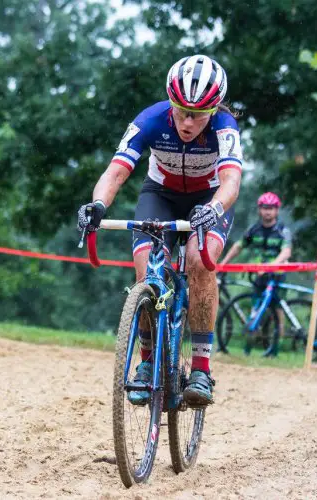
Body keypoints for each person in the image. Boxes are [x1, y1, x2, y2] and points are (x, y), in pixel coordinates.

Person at [77, 55, 243, 407]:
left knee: (199, 263)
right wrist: (98, 206)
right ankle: (147, 363)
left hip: (208, 200)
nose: (187, 121)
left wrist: (214, 209)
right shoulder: (150, 120)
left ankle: (200, 369)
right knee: (147, 273)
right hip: (160, 196)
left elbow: (231, 181)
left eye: (197, 114)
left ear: (213, 110)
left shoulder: (225, 127)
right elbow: (116, 172)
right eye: (180, 110)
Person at [219, 192, 293, 356]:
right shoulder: (254, 229)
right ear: (259, 210)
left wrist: (271, 266)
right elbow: (238, 246)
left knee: (278, 313)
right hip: (259, 278)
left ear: (277, 210)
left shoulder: (283, 231)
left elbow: (286, 252)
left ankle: (275, 350)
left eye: (271, 208)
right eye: (265, 208)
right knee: (255, 312)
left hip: (277, 276)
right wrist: (223, 264)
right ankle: (247, 349)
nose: (268, 211)